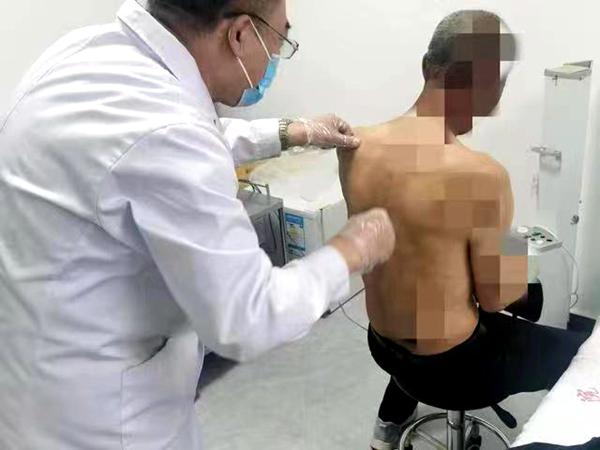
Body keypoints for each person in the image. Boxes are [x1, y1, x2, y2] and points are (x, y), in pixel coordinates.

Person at [0, 0, 396, 448]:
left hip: (30, 373)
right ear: (240, 34)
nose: (275, 60)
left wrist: (289, 132)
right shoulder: (167, 130)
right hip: (101, 420)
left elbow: (174, 137)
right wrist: (349, 251)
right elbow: (249, 316)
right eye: (279, 41)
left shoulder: (89, 52)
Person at [337, 10, 589, 450]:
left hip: (382, 344)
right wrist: (516, 258)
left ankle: (387, 426)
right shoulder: (484, 175)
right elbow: (497, 298)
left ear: (426, 67)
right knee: (580, 349)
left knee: (426, 308)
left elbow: (408, 248)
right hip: (456, 368)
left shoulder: (354, 146)